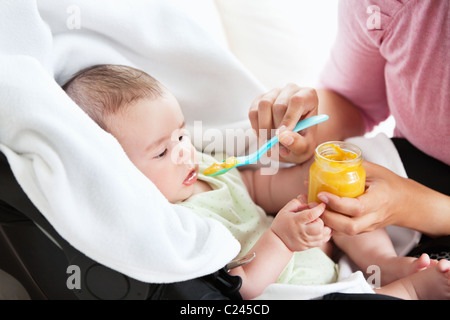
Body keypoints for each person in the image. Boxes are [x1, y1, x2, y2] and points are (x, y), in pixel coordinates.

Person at [62, 64, 450, 300]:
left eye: (182, 135)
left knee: (338, 208)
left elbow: (260, 189)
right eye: (162, 152)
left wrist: (309, 191)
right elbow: (240, 290)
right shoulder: (172, 223)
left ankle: (383, 264)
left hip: (326, 257)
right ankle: (409, 291)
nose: (184, 152)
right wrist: (282, 239)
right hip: (293, 290)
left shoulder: (206, 171)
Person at [248, 0, 450, 247]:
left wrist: (414, 206)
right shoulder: (381, 7)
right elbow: (353, 103)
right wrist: (302, 123)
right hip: (407, 171)